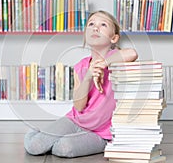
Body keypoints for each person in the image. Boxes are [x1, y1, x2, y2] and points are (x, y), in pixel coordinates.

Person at [24, 10, 138, 158]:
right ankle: (38, 133)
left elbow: (133, 53)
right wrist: (89, 76)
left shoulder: (116, 60)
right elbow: (78, 106)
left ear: (114, 37)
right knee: (35, 146)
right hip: (74, 120)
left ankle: (59, 140)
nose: (95, 28)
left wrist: (103, 63)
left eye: (103, 24)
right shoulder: (80, 66)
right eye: (91, 24)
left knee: (64, 148)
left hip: (101, 132)